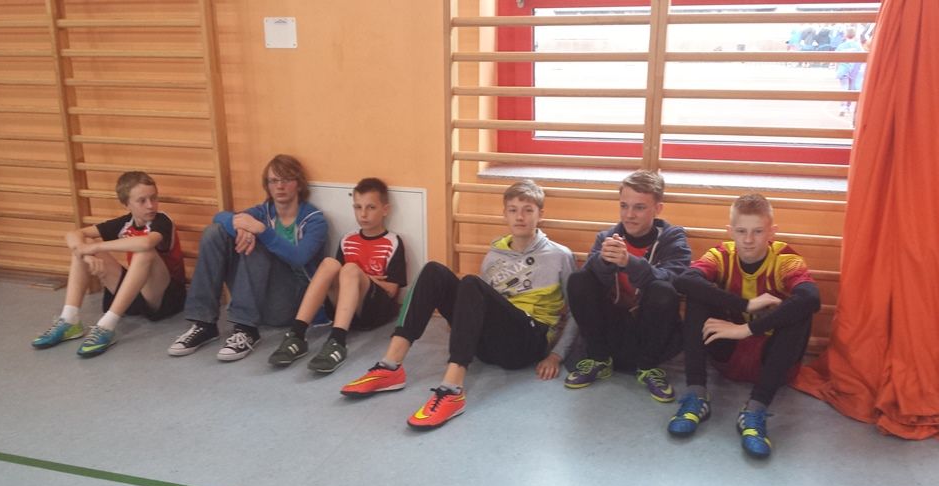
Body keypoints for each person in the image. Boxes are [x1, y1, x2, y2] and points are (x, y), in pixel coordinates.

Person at [339, 179, 577, 430]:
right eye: (513, 210)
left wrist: (556, 355)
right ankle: (390, 366)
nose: (520, 217)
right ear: (504, 214)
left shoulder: (559, 255)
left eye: (528, 210)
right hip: (490, 345)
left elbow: (576, 312)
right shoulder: (495, 254)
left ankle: (452, 390)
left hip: (528, 342)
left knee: (471, 283)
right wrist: (464, 322)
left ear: (541, 214)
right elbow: (483, 305)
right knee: (433, 271)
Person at [668, 193, 820, 459]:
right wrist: (745, 305)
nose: (748, 240)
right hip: (727, 354)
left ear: (771, 231)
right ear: (730, 231)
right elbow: (684, 280)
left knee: (801, 310)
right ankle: (696, 395)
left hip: (771, 361)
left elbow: (811, 298)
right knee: (697, 294)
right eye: (741, 231)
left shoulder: (785, 259)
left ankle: (755, 409)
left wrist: (747, 329)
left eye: (757, 231)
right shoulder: (721, 255)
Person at [167, 154, 327, 361]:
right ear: (267, 185)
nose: (280, 186)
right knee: (215, 232)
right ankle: (204, 324)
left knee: (257, 243)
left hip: (291, 304)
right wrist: (242, 227)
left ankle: (245, 328)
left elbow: (299, 258)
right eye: (273, 180)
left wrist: (262, 231)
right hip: (258, 296)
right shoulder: (262, 212)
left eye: (286, 179)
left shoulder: (315, 220)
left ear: (299, 184)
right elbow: (220, 216)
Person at [563, 170, 690, 402]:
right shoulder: (608, 237)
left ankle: (648, 367)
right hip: (614, 333)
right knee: (579, 280)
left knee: (663, 290)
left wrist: (629, 262)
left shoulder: (673, 238)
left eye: (639, 207)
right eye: (624, 206)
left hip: (653, 335)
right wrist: (603, 261)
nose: (629, 215)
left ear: (658, 209)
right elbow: (588, 286)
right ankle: (599, 359)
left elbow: (676, 280)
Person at [32, 171, 186, 357]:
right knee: (83, 244)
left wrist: (94, 247)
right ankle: (69, 319)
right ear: (126, 204)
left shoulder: (162, 220)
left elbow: (146, 243)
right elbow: (73, 234)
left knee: (144, 252)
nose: (150, 205)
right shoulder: (125, 223)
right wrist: (85, 253)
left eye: (154, 198)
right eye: (142, 200)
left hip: (164, 298)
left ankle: (106, 326)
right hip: (134, 294)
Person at [268, 177, 406, 374]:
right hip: (343, 309)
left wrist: (363, 276)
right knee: (329, 264)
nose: (363, 214)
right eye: (358, 207)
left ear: (385, 210)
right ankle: (297, 334)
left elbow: (392, 290)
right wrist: (362, 275)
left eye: (371, 207)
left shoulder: (393, 241)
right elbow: (338, 278)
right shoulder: (347, 239)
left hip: (374, 312)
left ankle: (337, 341)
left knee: (350, 269)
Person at [835, 27, 865, 117]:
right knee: (851, 88)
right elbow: (862, 58)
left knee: (844, 87)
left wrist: (837, 69)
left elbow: (836, 58)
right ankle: (847, 106)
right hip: (854, 70)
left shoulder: (841, 46)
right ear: (855, 35)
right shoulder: (858, 46)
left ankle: (843, 106)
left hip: (843, 69)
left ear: (845, 35)